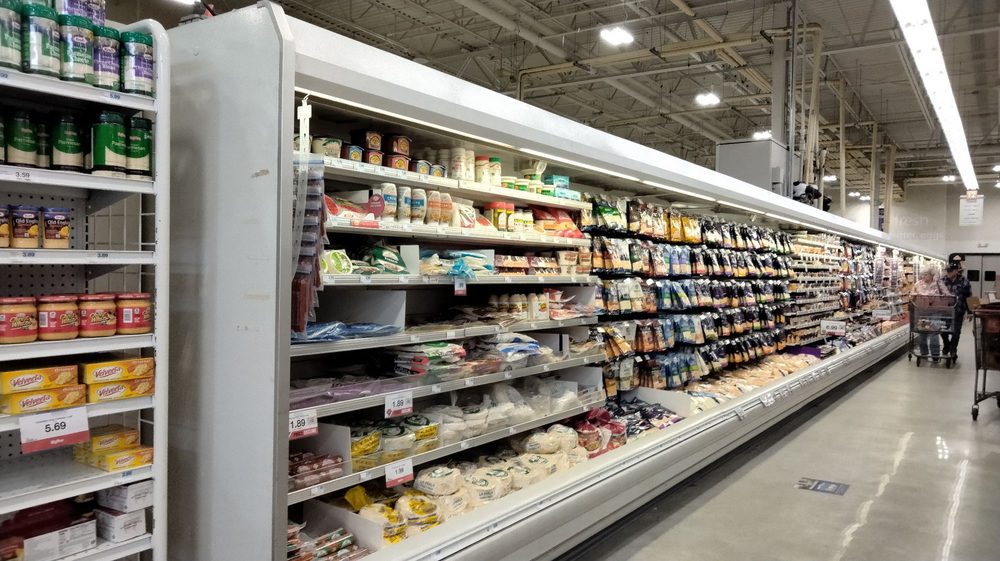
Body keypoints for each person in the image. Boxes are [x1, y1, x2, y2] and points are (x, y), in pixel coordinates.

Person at [912, 269, 947, 359]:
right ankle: (924, 353)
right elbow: (912, 296)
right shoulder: (918, 284)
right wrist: (915, 296)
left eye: (926, 274)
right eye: (922, 274)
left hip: (936, 312)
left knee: (934, 332)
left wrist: (943, 297)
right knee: (922, 332)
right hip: (922, 312)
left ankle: (935, 354)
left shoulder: (938, 283)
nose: (923, 276)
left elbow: (947, 295)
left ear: (932, 275)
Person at [941, 262, 973, 357]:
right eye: (947, 271)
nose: (948, 273)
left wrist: (970, 311)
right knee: (943, 330)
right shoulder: (942, 281)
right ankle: (946, 344)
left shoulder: (964, 281)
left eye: (950, 271)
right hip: (945, 311)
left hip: (958, 311)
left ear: (956, 271)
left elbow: (968, 297)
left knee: (956, 332)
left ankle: (953, 349)